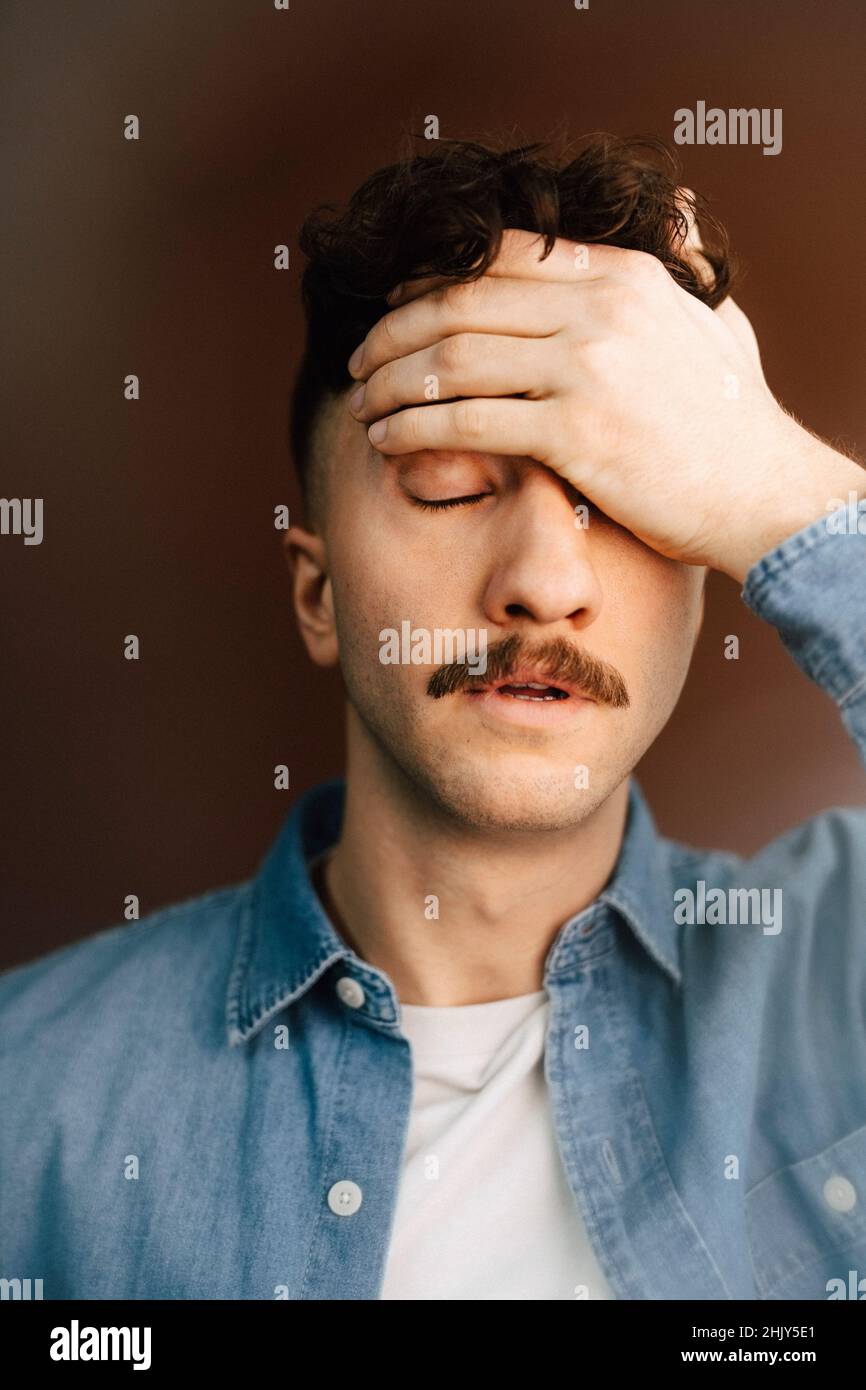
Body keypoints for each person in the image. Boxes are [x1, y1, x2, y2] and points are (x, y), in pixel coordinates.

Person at [2, 136, 865, 1302]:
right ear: (317, 594)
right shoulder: (32, 1100)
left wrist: (780, 490)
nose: (543, 582)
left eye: (619, 495)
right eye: (450, 485)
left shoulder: (836, 974)